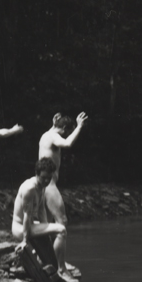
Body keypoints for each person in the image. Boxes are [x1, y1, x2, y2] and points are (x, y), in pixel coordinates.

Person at [11, 158, 77, 282]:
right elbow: (26, 215)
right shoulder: (29, 188)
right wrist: (25, 240)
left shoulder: (42, 187)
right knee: (61, 230)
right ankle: (61, 270)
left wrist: (47, 229)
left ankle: (57, 263)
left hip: (29, 225)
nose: (46, 181)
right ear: (37, 174)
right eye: (44, 178)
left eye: (49, 178)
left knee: (55, 230)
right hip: (20, 228)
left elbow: (41, 211)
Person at [38, 111, 88, 272]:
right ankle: (60, 266)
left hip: (41, 186)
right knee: (62, 223)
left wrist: (53, 124)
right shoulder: (53, 137)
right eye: (68, 130)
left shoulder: (46, 134)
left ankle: (44, 261)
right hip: (49, 186)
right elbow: (67, 143)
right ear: (65, 129)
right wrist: (79, 127)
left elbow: (54, 132)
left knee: (46, 227)